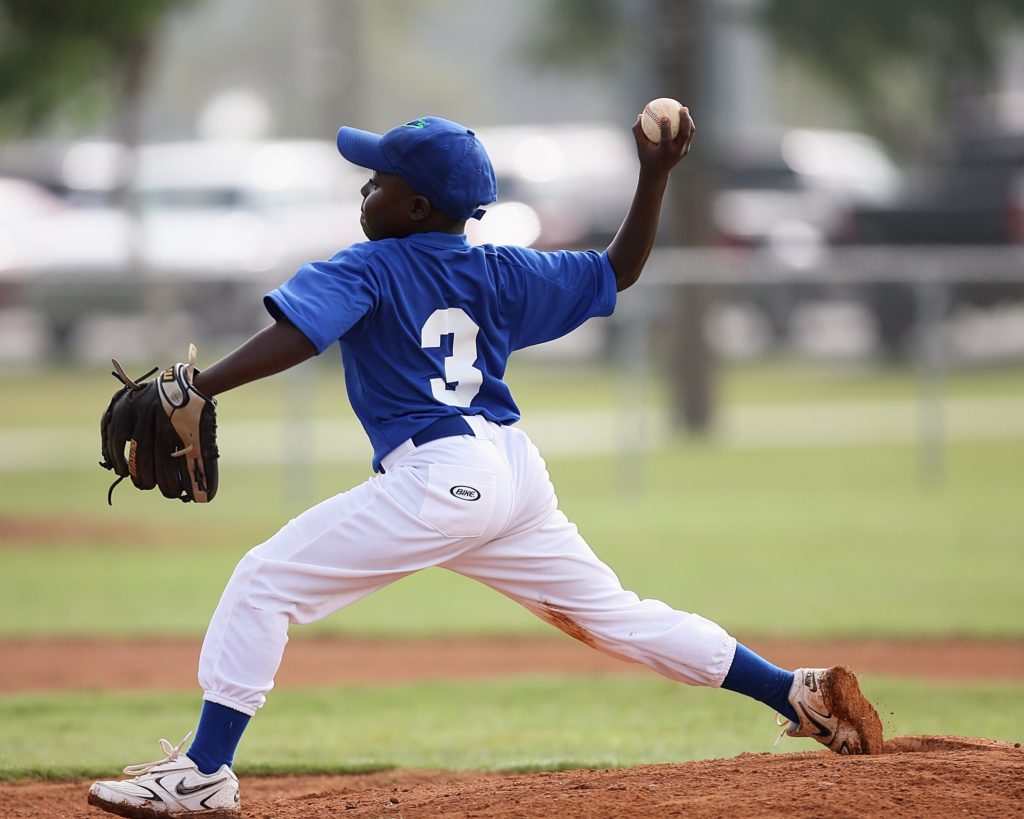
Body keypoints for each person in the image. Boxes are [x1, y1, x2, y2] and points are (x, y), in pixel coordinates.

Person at [88, 109, 881, 818]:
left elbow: (302, 334)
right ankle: (796, 691)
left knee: (265, 580)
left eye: (379, 182)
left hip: (440, 477)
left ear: (417, 207)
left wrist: (198, 383)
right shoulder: (502, 268)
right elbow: (620, 269)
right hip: (512, 472)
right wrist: (653, 175)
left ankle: (203, 772)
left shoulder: (370, 266)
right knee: (615, 614)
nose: (365, 191)